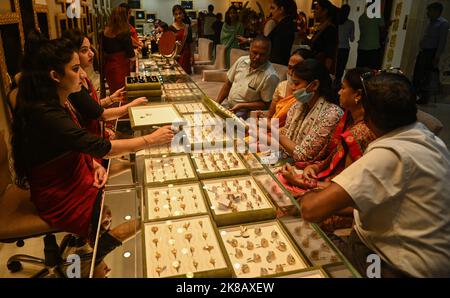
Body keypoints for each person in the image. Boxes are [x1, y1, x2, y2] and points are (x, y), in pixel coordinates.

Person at [11, 35, 174, 272]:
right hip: (59, 194)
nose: (83, 74)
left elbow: (77, 144)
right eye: (75, 69)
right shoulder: (46, 114)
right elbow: (98, 146)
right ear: (55, 76)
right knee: (136, 211)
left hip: (73, 172)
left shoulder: (57, 101)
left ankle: (96, 253)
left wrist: (92, 163)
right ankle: (95, 260)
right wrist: (151, 139)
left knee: (113, 197)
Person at [300, 71, 450, 278]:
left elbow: (311, 210)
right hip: (430, 261)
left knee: (302, 239)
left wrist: (309, 192)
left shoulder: (389, 154)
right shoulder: (427, 138)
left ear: (367, 114)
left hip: (391, 266)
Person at [278, 68, 376, 234]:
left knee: (284, 209)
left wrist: (300, 182)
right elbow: (332, 155)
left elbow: (347, 192)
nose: (339, 92)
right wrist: (316, 167)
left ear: (357, 95)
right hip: (326, 181)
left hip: (343, 203)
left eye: (344, 88)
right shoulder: (348, 117)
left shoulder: (359, 131)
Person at [63, 29, 147, 142]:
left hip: (99, 133)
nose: (91, 53)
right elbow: (102, 115)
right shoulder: (73, 85)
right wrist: (131, 105)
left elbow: (91, 106)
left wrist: (111, 99)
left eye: (90, 48)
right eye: (84, 50)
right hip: (92, 141)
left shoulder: (83, 75)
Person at [275, 59, 343, 162]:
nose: (292, 88)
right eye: (292, 83)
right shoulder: (298, 106)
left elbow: (304, 155)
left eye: (297, 84)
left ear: (314, 85)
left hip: (307, 169)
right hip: (287, 159)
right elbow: (286, 135)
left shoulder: (331, 114)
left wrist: (277, 136)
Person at [216, 35, 280, 119]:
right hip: (230, 106)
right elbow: (228, 84)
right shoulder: (241, 61)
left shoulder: (270, 76)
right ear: (249, 50)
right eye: (255, 53)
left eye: (262, 55)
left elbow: (267, 104)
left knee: (228, 129)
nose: (257, 57)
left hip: (247, 113)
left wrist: (242, 105)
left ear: (268, 55)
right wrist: (216, 104)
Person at [253, 48, 314, 127]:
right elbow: (271, 115)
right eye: (289, 67)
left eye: (297, 69)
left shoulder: (308, 94)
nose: (291, 73)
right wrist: (261, 115)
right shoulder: (282, 86)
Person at [238, 0, 297, 66]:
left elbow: (274, 50)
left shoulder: (284, 26)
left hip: (277, 65)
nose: (271, 12)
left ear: (281, 9)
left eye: (273, 8)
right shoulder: (285, 24)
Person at [413, 2, 449, 104]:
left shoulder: (443, 24)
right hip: (424, 51)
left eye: (430, 11)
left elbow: (442, 42)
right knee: (418, 74)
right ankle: (416, 95)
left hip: (432, 52)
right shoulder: (430, 22)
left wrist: (437, 57)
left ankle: (424, 98)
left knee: (426, 75)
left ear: (437, 11)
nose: (427, 13)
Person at [102, 6, 135, 93]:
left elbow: (104, 50)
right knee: (122, 93)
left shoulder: (104, 31)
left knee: (114, 93)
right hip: (121, 67)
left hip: (109, 67)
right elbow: (131, 54)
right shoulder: (124, 32)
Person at [310, 0, 339, 74]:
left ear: (325, 11)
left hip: (321, 68)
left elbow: (330, 54)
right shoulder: (321, 27)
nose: (314, 11)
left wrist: (324, 73)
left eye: (317, 8)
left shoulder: (330, 29)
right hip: (315, 66)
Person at [357, 4, 385, 69]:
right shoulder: (378, 16)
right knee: (372, 72)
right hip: (373, 48)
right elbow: (382, 31)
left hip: (361, 48)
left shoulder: (361, 17)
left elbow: (367, 29)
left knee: (360, 71)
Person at [170, 5, 195, 74]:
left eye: (180, 13)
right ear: (173, 15)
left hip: (186, 54)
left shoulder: (187, 27)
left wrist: (192, 56)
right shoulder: (171, 28)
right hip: (175, 54)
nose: (178, 16)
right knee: (176, 75)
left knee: (185, 75)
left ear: (183, 14)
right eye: (176, 14)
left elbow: (190, 42)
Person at [336, 4, 354, 88]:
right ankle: (338, 84)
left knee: (335, 67)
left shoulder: (336, 22)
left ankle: (333, 83)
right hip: (345, 48)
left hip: (336, 48)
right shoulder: (351, 23)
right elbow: (352, 38)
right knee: (341, 67)